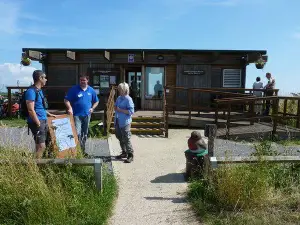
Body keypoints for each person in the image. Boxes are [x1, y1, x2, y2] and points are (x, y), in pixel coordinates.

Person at [64, 75, 99, 155]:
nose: (82, 82)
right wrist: (70, 108)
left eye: (84, 80)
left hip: (87, 115)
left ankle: (82, 150)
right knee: (77, 133)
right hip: (76, 115)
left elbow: (96, 101)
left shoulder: (91, 90)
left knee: (85, 133)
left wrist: (92, 108)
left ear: (87, 81)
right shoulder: (74, 89)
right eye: (81, 80)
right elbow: (66, 100)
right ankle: (76, 151)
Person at [25, 70, 56, 158]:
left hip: (43, 119)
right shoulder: (31, 91)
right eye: (45, 78)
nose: (46, 80)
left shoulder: (39, 91)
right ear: (40, 78)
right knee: (41, 146)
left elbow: (40, 107)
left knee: (44, 144)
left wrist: (49, 114)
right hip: (37, 121)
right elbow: (31, 109)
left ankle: (40, 163)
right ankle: (36, 166)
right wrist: (38, 123)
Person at [114, 82, 135, 163]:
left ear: (125, 90)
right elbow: (116, 106)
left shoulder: (128, 99)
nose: (119, 91)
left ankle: (130, 155)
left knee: (126, 138)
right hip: (118, 120)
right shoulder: (119, 98)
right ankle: (124, 152)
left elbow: (131, 111)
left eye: (120, 89)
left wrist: (120, 110)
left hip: (125, 122)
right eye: (118, 89)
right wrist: (115, 107)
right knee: (119, 136)